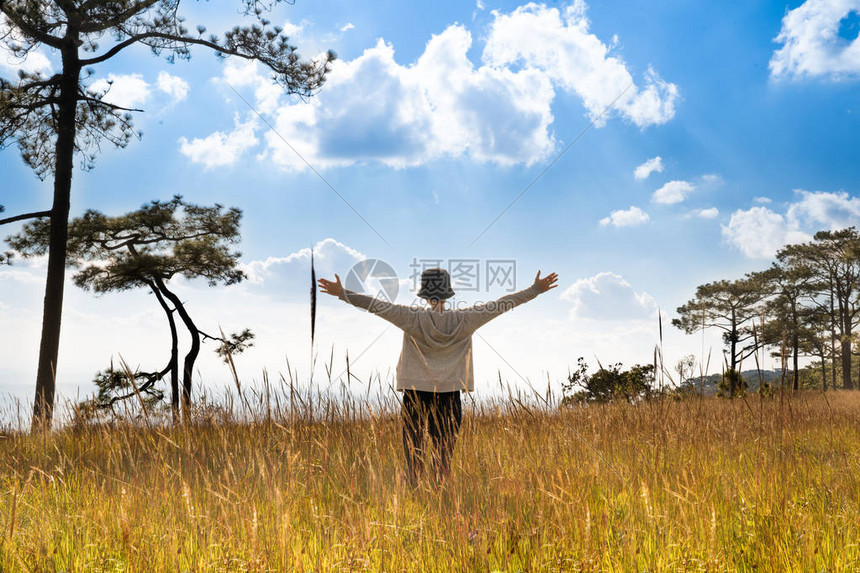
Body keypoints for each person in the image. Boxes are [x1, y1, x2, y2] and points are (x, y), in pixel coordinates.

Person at [318, 267, 558, 486]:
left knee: (414, 454)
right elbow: (504, 303)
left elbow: (376, 305)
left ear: (424, 295)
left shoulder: (412, 318)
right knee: (443, 457)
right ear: (448, 294)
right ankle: (440, 496)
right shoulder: (466, 319)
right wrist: (535, 290)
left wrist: (343, 293)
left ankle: (414, 495)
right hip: (450, 395)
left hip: (415, 393)